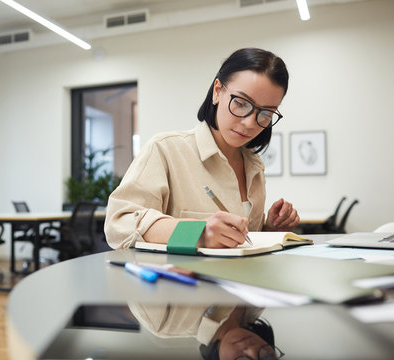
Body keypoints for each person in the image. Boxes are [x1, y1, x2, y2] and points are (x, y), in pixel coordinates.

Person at [104, 48, 299, 250]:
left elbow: (242, 244)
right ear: (217, 91)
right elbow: (118, 225)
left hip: (239, 280)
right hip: (182, 280)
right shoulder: (166, 150)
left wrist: (270, 229)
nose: (250, 123)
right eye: (241, 103)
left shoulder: (255, 166)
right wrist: (197, 233)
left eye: (266, 114)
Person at [128, 303, 283, 360]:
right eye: (265, 357)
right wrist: (268, 229)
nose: (251, 349)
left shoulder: (164, 321)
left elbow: (120, 235)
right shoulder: (258, 302)